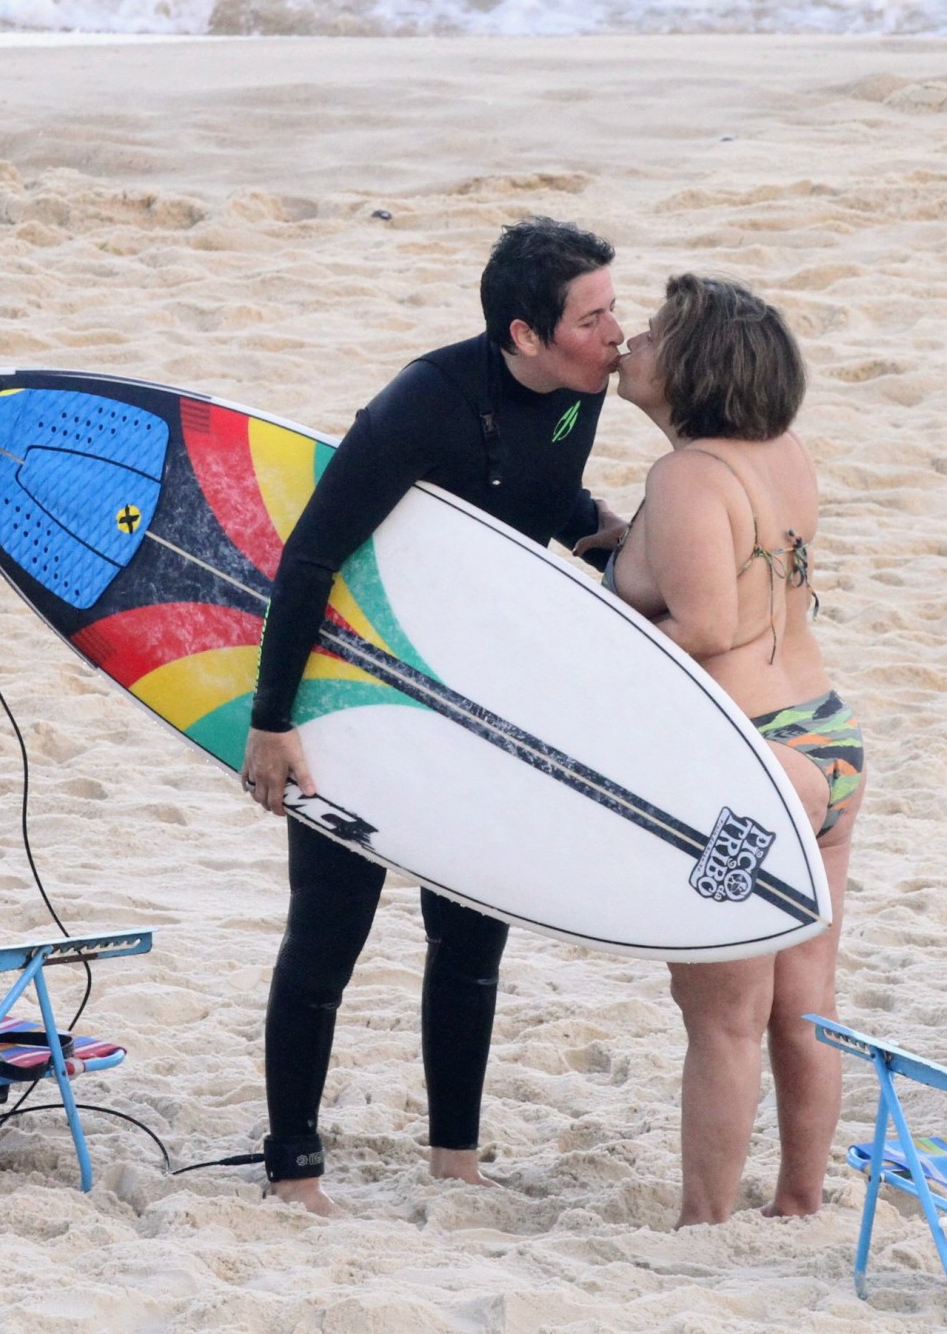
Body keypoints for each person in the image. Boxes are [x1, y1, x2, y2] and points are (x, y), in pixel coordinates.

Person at [242, 217, 626, 1212]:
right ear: (526, 334)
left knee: (469, 939)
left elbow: (536, 495)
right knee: (330, 936)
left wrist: (604, 529)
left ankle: (456, 1159)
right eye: (595, 316)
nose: (617, 331)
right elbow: (312, 555)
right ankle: (293, 1170)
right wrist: (272, 720)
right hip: (357, 692)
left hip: (478, 704)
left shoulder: (574, 396)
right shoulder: (424, 403)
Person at [608, 273, 864, 1226]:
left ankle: (703, 1226)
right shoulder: (781, 452)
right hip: (827, 746)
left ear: (696, 367)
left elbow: (708, 624)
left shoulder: (684, 476)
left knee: (721, 1016)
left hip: (747, 771)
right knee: (805, 997)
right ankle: (799, 1202)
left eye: (658, 331)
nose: (634, 338)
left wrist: (604, 647)